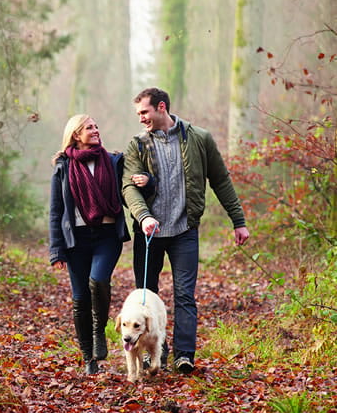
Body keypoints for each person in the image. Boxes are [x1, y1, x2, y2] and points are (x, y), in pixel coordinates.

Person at [122, 87, 250, 375]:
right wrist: (143, 217)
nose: (141, 118)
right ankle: (150, 354)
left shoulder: (199, 138)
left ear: (162, 107)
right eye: (138, 114)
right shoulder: (137, 145)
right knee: (145, 297)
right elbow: (128, 187)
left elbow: (221, 180)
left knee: (185, 296)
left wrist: (238, 221)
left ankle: (184, 355)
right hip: (149, 233)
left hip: (184, 231)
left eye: (145, 112)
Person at [49, 114, 150, 375]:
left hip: (106, 236)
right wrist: (56, 249)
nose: (96, 130)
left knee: (98, 281)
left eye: (96, 126)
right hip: (76, 241)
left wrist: (146, 183)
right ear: (75, 135)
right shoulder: (63, 167)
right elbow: (56, 211)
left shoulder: (113, 161)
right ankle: (88, 360)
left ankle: (99, 332)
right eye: (89, 128)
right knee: (80, 298)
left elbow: (130, 190)